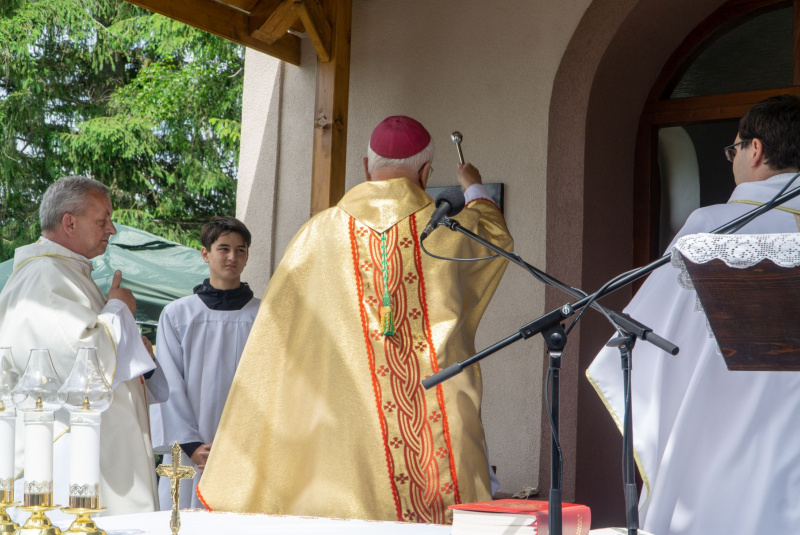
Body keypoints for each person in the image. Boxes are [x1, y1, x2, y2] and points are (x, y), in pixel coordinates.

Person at [198, 116, 512, 523]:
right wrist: (473, 184)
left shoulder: (315, 234)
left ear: (366, 167)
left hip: (337, 427)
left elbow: (276, 345)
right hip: (430, 419)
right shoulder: (447, 229)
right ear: (425, 172)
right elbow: (495, 237)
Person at [587, 94, 800, 535]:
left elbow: (648, 339)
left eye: (734, 149)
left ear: (755, 150)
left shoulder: (714, 225)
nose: (733, 160)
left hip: (722, 429)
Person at [0, 176, 167, 515]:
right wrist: (119, 309)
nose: (113, 229)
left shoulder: (66, 274)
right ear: (70, 222)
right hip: (66, 458)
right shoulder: (44, 277)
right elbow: (81, 368)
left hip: (94, 457)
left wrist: (132, 343)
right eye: (102, 219)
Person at [151, 216, 260, 510]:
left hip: (249, 449)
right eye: (223, 248)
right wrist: (192, 447)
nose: (232, 257)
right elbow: (168, 385)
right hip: (190, 453)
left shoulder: (264, 316)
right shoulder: (178, 315)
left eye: (241, 250)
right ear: (205, 253)